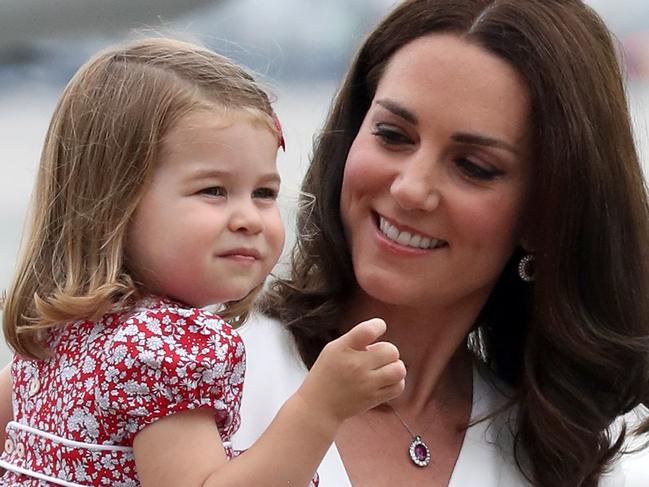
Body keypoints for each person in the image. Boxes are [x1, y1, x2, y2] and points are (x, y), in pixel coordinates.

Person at [230, 1, 649, 486]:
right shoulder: (194, 369)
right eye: (392, 135)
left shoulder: (583, 465)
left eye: (473, 166)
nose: (410, 188)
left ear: (544, 213)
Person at [0, 37, 406, 486]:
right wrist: (320, 408)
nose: (250, 219)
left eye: (264, 193)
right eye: (213, 190)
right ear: (112, 202)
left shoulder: (57, 332)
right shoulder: (168, 348)